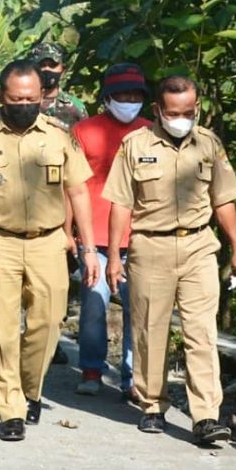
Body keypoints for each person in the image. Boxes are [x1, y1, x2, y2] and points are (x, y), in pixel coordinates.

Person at [0, 59, 100, 442]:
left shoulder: (59, 135)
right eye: (17, 99)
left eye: (32, 98)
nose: (26, 104)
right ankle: (10, 408)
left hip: (48, 242)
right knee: (1, 329)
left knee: (48, 322)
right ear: (2, 97)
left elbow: (78, 191)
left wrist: (89, 249)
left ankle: (30, 388)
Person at [103, 75, 236, 446]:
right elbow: (120, 202)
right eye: (173, 113)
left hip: (199, 245)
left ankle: (206, 416)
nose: (181, 118)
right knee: (151, 329)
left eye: (187, 112)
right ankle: (153, 404)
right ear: (158, 110)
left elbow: (224, 200)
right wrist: (115, 256)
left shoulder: (209, 144)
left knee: (201, 332)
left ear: (196, 108)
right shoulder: (134, 145)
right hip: (150, 247)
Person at [71, 63, 152, 400]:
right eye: (122, 95)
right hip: (94, 237)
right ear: (108, 97)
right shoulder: (82, 131)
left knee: (140, 308)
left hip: (140, 237)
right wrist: (69, 232)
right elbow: (69, 187)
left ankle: (133, 378)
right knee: (93, 305)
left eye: (135, 95)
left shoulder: (151, 132)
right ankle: (91, 369)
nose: (129, 100)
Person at [28, 41, 88, 365]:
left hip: (65, 199)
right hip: (28, 198)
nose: (48, 71)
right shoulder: (23, 100)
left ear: (62, 68)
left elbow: (83, 155)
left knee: (60, 276)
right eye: (42, 65)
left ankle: (52, 335)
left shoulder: (74, 108)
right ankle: (30, 333)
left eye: (53, 65)